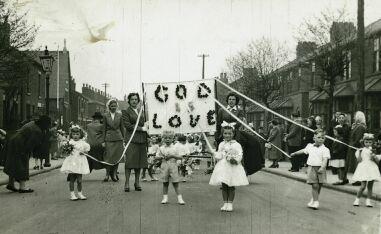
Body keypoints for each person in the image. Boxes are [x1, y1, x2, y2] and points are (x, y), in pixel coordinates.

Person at [215, 92, 263, 175]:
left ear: (236, 101)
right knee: (221, 148)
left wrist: (232, 125)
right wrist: (220, 130)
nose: (231, 101)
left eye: (233, 99)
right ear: (227, 100)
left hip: (235, 132)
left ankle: (243, 169)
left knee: (252, 142)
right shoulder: (222, 110)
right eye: (230, 99)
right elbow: (218, 122)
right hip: (224, 133)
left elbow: (239, 121)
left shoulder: (239, 110)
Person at [4, 115, 51, 193]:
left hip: (13, 140)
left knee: (14, 163)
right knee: (23, 163)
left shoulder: (32, 123)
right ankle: (22, 187)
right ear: (44, 124)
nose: (48, 127)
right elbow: (30, 144)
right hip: (20, 144)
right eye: (48, 125)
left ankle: (11, 184)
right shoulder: (37, 131)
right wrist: (27, 152)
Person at [209, 123, 249, 212]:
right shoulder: (221, 144)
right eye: (225, 133)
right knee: (224, 185)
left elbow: (240, 154)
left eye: (229, 133)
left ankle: (230, 203)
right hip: (223, 167)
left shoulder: (236, 144)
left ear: (233, 134)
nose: (227, 135)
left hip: (232, 166)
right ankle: (225, 203)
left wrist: (235, 160)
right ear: (223, 134)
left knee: (231, 185)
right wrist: (214, 153)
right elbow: (219, 155)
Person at [290, 129, 331, 210]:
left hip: (320, 168)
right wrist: (295, 153)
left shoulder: (325, 149)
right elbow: (303, 151)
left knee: (319, 185)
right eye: (319, 137)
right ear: (314, 138)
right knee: (315, 185)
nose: (321, 139)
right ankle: (316, 202)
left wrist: (322, 167)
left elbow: (325, 159)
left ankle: (314, 199)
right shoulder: (310, 146)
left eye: (323, 138)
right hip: (312, 168)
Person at [122, 93, 148, 192]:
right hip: (131, 139)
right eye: (132, 99)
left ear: (138, 101)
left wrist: (147, 125)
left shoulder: (141, 111)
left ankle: (137, 182)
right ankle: (127, 183)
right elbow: (128, 125)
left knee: (139, 162)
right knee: (129, 161)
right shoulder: (125, 112)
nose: (134, 101)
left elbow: (145, 122)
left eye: (136, 99)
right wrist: (141, 128)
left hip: (141, 139)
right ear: (129, 101)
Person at [60, 125, 91, 201]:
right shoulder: (70, 142)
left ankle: (80, 193)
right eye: (73, 134)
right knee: (72, 179)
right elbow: (65, 152)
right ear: (71, 135)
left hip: (79, 163)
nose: (75, 136)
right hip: (72, 163)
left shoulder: (83, 143)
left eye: (77, 134)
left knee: (79, 180)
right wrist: (66, 151)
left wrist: (84, 152)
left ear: (80, 134)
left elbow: (87, 150)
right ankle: (72, 194)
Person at [156, 130, 185, 205]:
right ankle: (165, 198)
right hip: (164, 165)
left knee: (176, 183)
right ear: (163, 139)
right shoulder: (161, 148)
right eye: (165, 138)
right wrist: (161, 157)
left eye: (169, 138)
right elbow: (157, 157)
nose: (167, 139)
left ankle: (180, 198)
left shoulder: (175, 148)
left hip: (173, 165)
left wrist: (172, 156)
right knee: (165, 182)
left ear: (173, 139)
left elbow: (180, 157)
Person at [352, 133, 380, 207]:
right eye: (366, 142)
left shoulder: (373, 150)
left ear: (372, 142)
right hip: (364, 168)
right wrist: (360, 152)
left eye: (370, 142)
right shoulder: (361, 150)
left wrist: (373, 156)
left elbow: (377, 161)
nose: (368, 144)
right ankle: (357, 199)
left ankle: (368, 201)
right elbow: (359, 160)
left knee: (370, 186)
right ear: (363, 142)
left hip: (371, 168)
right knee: (363, 186)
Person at [103, 99, 125, 182]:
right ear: (109, 107)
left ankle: (115, 174)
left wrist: (124, 139)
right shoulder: (105, 115)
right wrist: (103, 141)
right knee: (108, 157)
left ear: (117, 106)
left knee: (117, 157)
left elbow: (122, 128)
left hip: (118, 138)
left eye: (115, 106)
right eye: (112, 106)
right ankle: (107, 174)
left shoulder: (120, 115)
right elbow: (104, 128)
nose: (113, 107)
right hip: (108, 139)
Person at [345, 111, 367, 186]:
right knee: (355, 165)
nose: (354, 118)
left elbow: (358, 138)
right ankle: (358, 180)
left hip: (356, 148)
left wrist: (352, 145)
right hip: (354, 147)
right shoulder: (358, 126)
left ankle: (359, 180)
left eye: (355, 116)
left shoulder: (360, 127)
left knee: (357, 165)